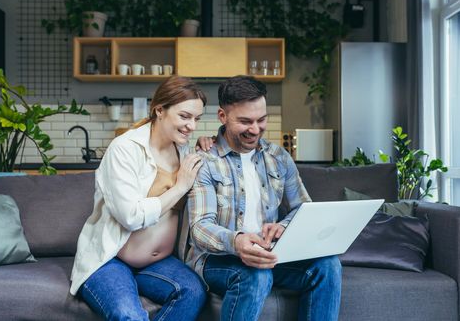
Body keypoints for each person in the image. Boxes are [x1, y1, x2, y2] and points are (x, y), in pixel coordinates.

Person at [185, 75, 342, 321]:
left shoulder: (278, 157)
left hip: (268, 252)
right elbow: (200, 228)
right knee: (256, 274)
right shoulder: (205, 160)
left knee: (327, 265)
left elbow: (304, 208)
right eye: (245, 121)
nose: (255, 129)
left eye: (261, 120)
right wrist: (237, 242)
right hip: (217, 259)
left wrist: (283, 226)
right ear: (222, 117)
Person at [70, 76, 208, 321]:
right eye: (185, 116)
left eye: (197, 118)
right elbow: (130, 217)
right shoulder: (124, 148)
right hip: (111, 260)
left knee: (193, 292)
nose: (192, 126)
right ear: (160, 110)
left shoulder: (184, 150)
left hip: (158, 264)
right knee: (128, 315)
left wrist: (212, 141)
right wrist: (180, 187)